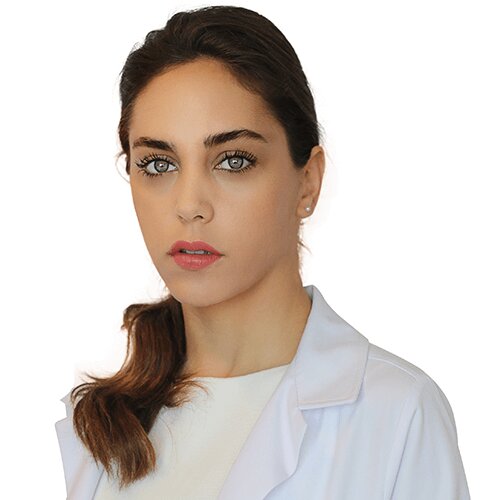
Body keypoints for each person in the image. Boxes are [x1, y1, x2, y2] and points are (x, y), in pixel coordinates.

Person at [55, 5, 470, 499]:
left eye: (233, 161)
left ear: (308, 181)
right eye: (159, 164)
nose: (189, 205)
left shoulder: (397, 413)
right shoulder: (102, 427)